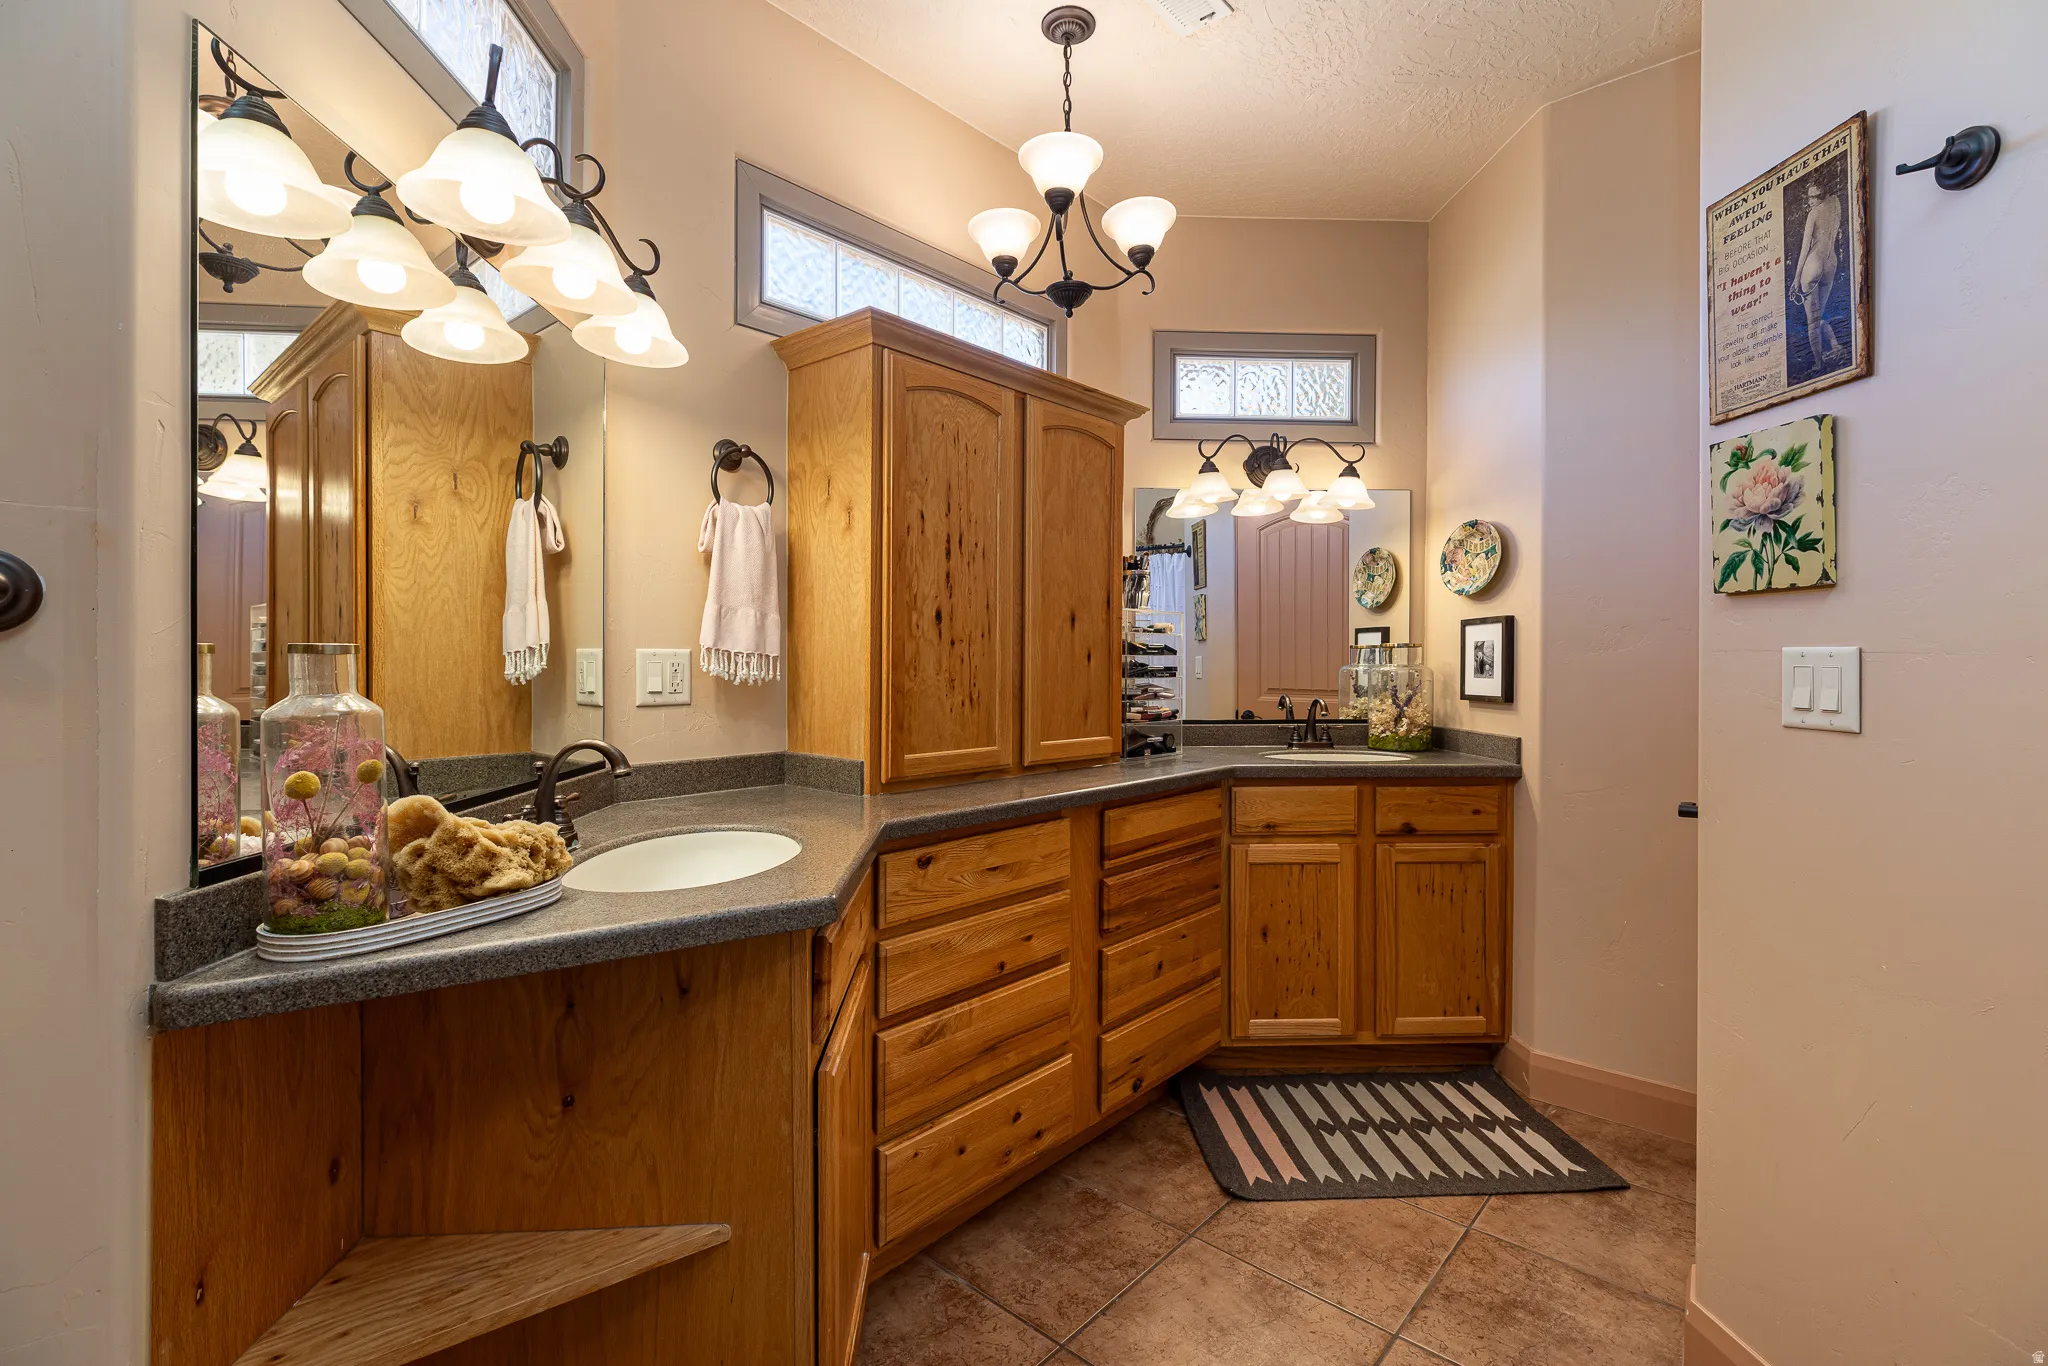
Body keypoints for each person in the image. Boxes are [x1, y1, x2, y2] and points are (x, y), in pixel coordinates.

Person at [1793, 176, 1844, 368]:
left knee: (1812, 322)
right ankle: (1835, 344)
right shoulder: (1835, 204)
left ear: (1821, 195)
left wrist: (1797, 278)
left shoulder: (1813, 214)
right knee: (1819, 315)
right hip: (1830, 263)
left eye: (1814, 197)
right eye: (1810, 198)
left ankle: (1818, 363)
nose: (1811, 201)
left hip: (1813, 264)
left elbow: (1805, 246)